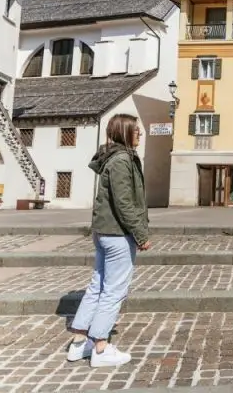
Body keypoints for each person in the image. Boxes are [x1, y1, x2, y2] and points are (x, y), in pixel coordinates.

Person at [66, 114, 151, 367]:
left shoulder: (112, 158)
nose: (140, 133)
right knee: (114, 290)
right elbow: (124, 203)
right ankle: (101, 347)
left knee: (98, 285)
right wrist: (141, 234)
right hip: (117, 233)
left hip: (104, 231)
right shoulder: (122, 160)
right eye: (136, 130)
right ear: (124, 132)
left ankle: (79, 343)